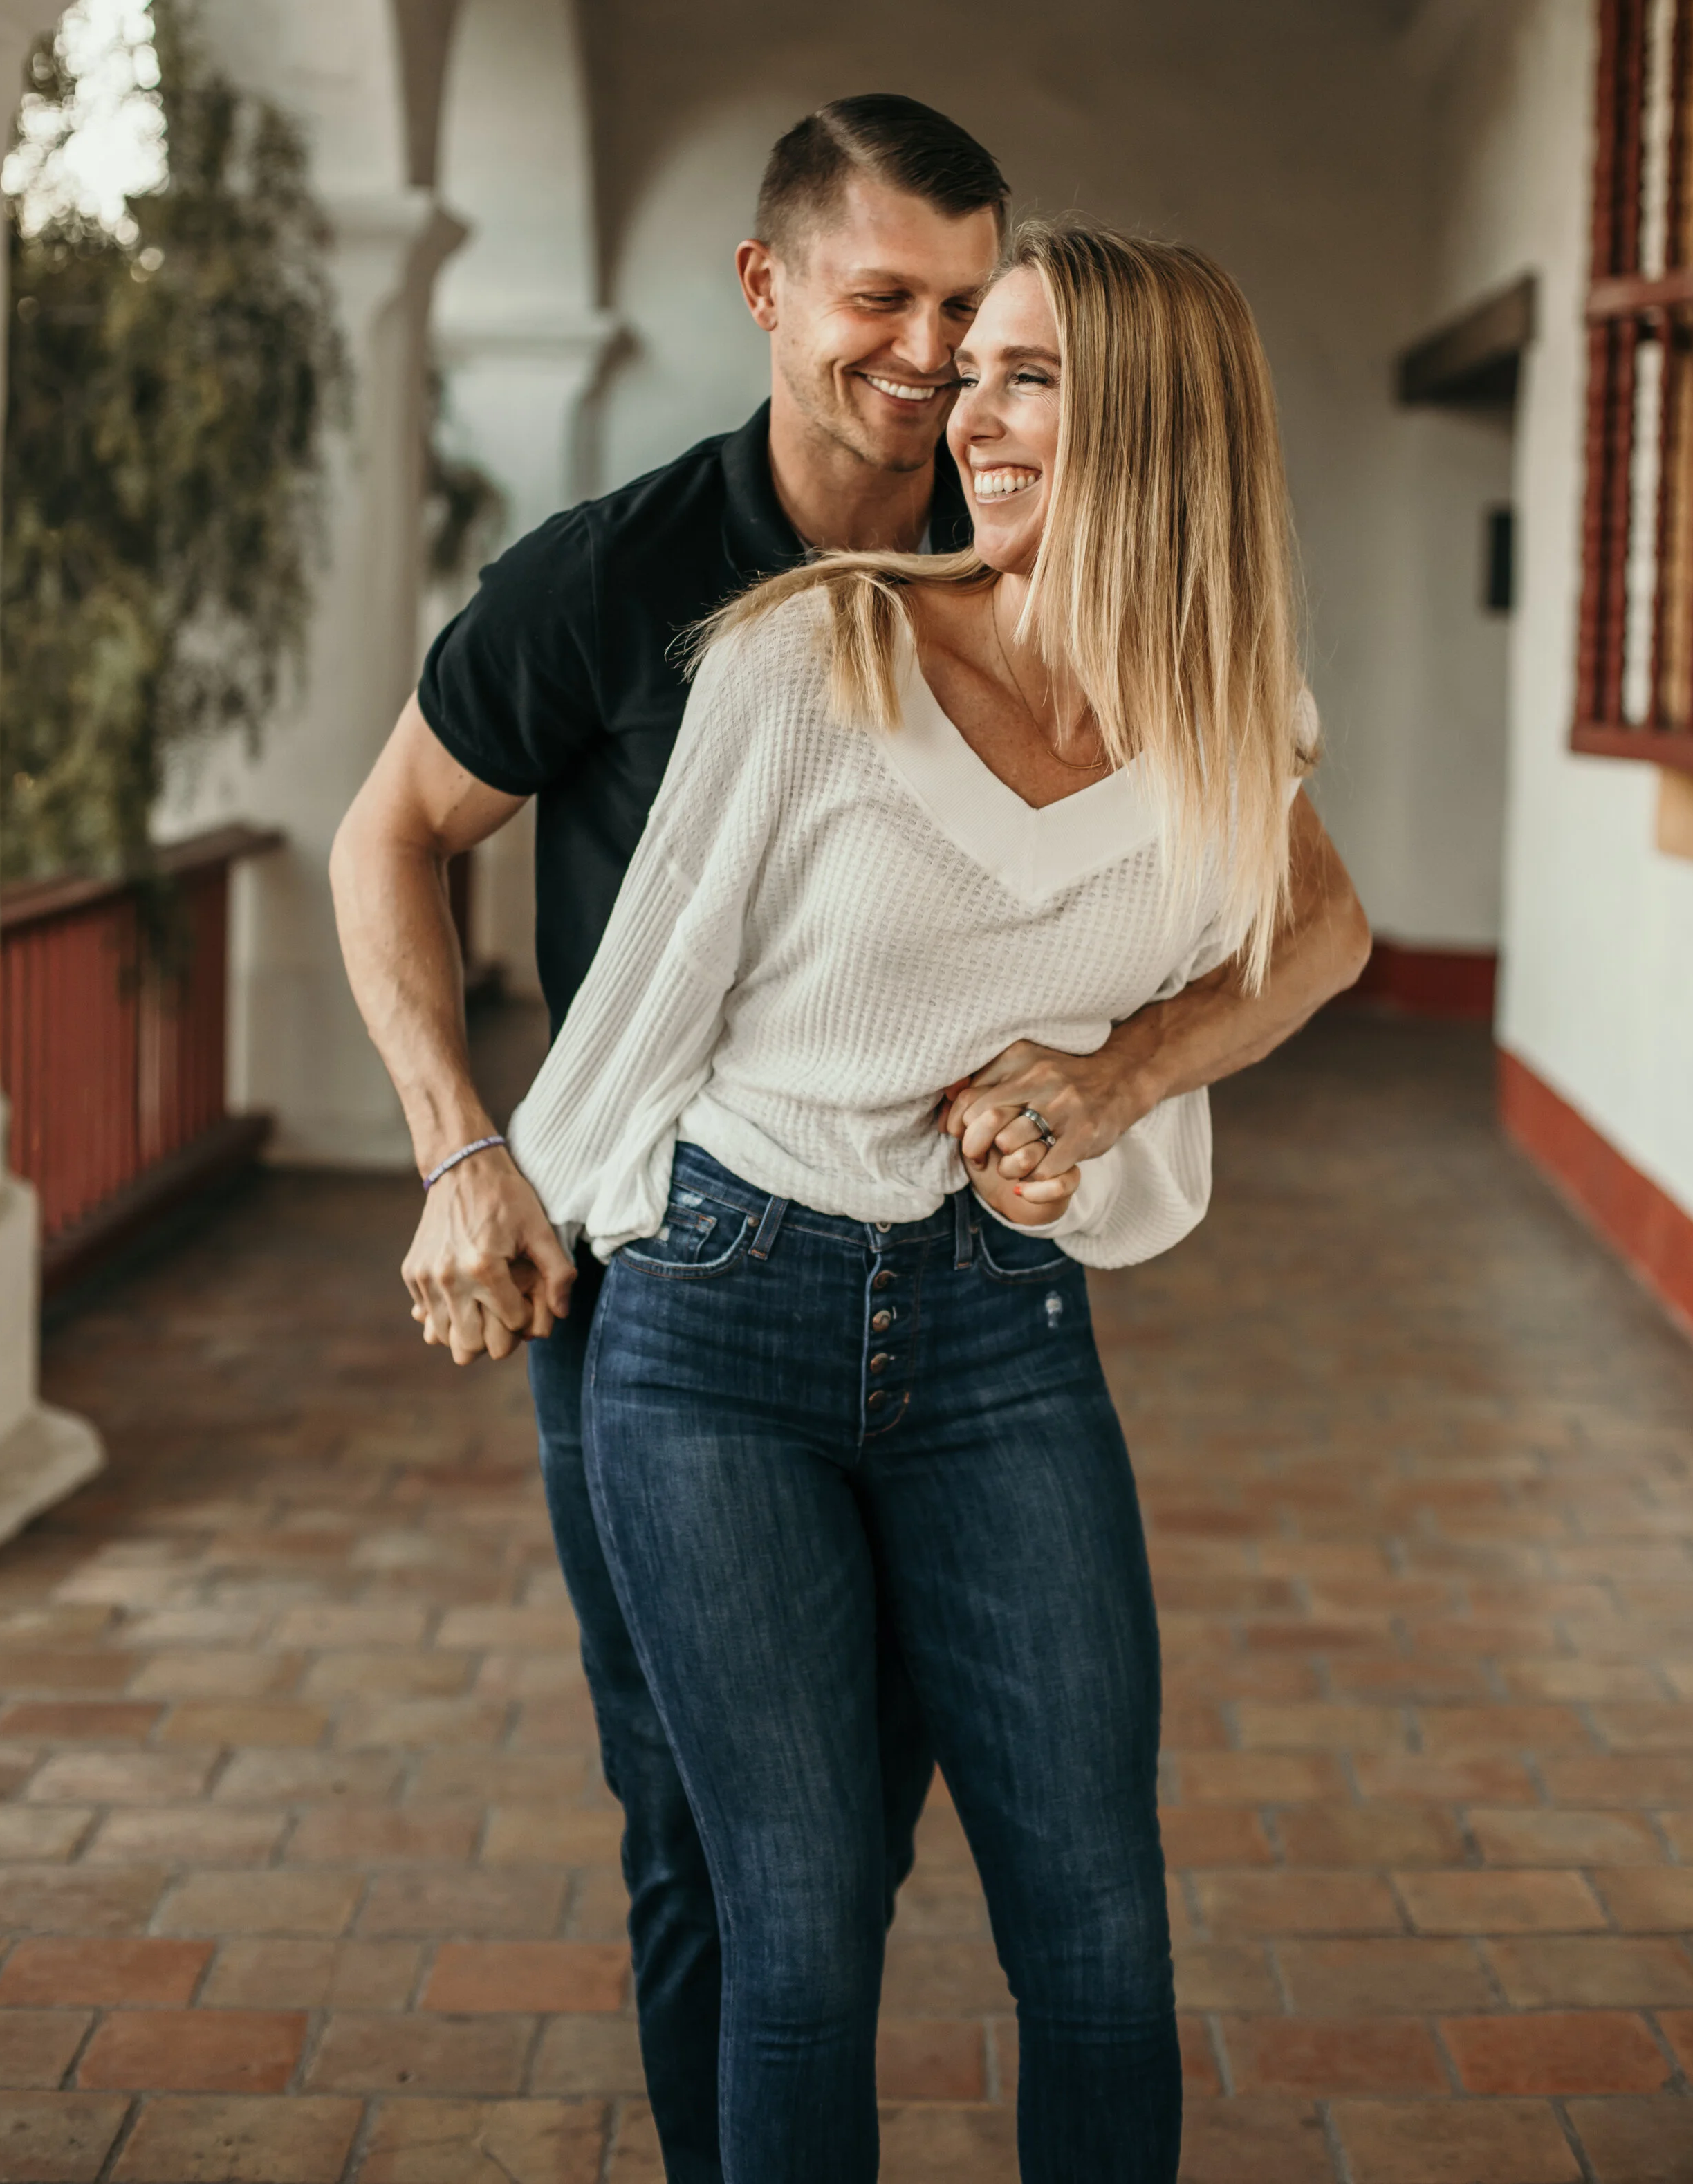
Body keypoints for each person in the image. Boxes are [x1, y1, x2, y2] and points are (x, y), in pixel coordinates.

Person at [331, 113, 1369, 2184]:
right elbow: (473, 890)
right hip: (692, 1292)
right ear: (771, 291)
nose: (945, 380)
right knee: (751, 1883)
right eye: (899, 314)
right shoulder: (719, 610)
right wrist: (476, 1166)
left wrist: (1111, 1079)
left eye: (991, 342)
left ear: (1147, 424)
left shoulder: (1198, 684)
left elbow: (1314, 923)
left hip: (996, 1321)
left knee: (1063, 1914)